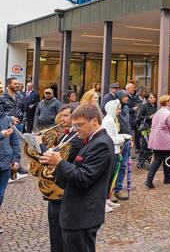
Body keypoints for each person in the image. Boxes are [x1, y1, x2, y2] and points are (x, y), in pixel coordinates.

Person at [39, 104, 114, 252]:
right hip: (76, 214)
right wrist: (54, 168)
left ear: (94, 121)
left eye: (79, 125)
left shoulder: (101, 144)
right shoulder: (92, 141)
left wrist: (59, 162)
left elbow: (83, 178)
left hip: (83, 215)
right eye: (74, 126)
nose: (75, 129)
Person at [45, 103, 84, 252]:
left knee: (59, 231)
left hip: (62, 189)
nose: (62, 118)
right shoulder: (69, 133)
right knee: (55, 231)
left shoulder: (76, 138)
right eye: (62, 115)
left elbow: (61, 157)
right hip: (57, 188)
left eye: (66, 115)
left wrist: (42, 148)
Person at [101, 100, 130, 212]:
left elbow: (114, 135)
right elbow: (109, 138)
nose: (119, 110)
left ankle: (107, 198)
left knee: (111, 178)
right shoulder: (108, 120)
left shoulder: (112, 120)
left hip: (115, 151)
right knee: (107, 178)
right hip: (111, 151)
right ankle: (103, 201)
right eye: (118, 108)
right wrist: (122, 139)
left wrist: (123, 135)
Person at [145, 95, 170, 189]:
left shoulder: (158, 112)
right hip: (166, 139)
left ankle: (152, 179)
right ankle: (163, 179)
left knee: (157, 159)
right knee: (167, 159)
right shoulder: (169, 114)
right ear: (167, 102)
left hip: (156, 139)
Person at [0, 104, 21, 234]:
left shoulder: (8, 120)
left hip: (5, 163)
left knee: (0, 194)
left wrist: (16, 159)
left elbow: (15, 141)